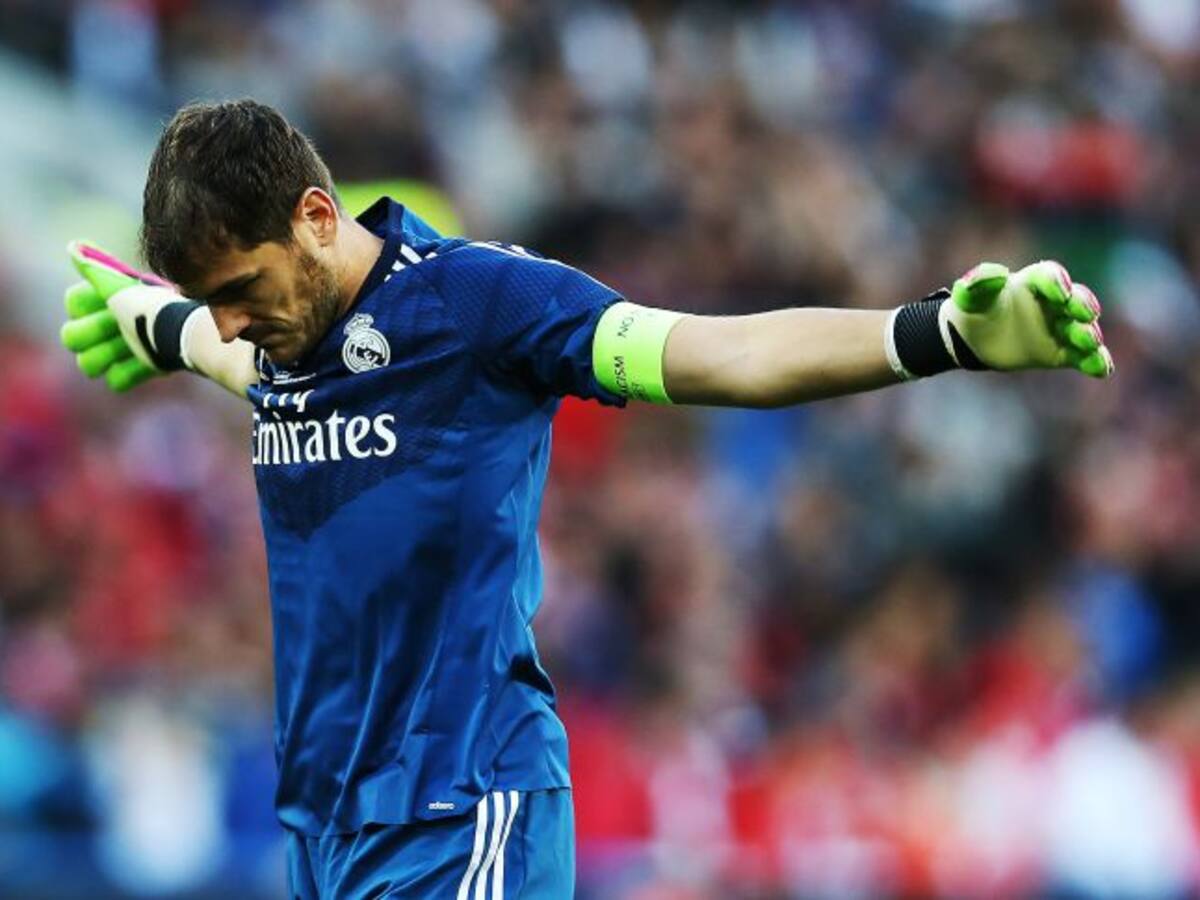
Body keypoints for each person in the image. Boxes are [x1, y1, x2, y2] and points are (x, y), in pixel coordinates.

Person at [58, 99, 1112, 899]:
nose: (232, 326)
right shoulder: (278, 345)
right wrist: (155, 321)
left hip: (460, 808)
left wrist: (941, 334)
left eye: (241, 291)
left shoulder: (478, 303)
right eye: (213, 304)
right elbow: (214, 349)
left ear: (317, 218)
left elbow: (725, 354)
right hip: (325, 828)